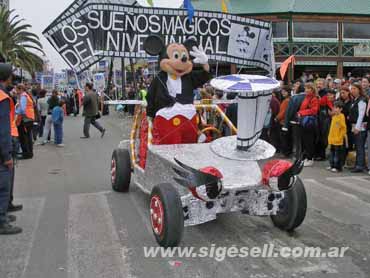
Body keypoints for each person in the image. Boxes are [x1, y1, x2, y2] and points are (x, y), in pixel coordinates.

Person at [0, 63, 22, 234]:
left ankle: (6, 210)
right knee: (3, 184)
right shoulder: (3, 97)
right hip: (3, 147)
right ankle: (2, 221)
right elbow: (3, 129)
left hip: (8, 141)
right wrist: (6, 154)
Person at [297, 82, 320, 167]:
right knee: (304, 140)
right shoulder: (306, 97)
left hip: (309, 122)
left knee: (309, 141)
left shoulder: (314, 98)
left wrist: (301, 112)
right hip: (304, 121)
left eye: (308, 88)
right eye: (306, 88)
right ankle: (306, 157)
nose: (306, 90)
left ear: (312, 89)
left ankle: (310, 158)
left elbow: (314, 110)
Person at [349, 83, 368, 173]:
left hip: (360, 126)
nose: (352, 90)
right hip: (355, 125)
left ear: (359, 90)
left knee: (360, 146)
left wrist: (357, 127)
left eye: (354, 88)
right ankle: (359, 164)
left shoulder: (362, 100)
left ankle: (360, 165)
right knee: (357, 146)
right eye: (351, 89)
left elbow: (361, 115)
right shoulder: (355, 100)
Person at [15, 84, 35, 159]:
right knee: (28, 136)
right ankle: (29, 153)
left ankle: (26, 154)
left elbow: (22, 109)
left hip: (25, 119)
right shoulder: (26, 95)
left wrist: (16, 112)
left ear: (20, 89)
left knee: (24, 137)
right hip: (29, 118)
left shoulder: (23, 96)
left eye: (16, 89)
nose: (16, 91)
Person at [327, 101, 347, 172]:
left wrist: (340, 137)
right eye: (334, 107)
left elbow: (343, 128)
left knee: (337, 154)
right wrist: (329, 138)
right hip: (332, 139)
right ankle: (332, 165)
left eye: (336, 108)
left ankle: (337, 167)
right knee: (332, 153)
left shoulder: (341, 117)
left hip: (338, 140)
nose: (334, 109)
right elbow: (331, 129)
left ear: (341, 109)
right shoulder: (334, 117)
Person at [276, 85, 292, 156]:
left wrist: (277, 118)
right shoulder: (289, 99)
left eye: (284, 92)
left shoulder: (287, 100)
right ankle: (286, 152)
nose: (283, 93)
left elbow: (283, 112)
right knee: (286, 138)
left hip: (283, 121)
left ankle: (285, 153)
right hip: (285, 121)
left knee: (284, 138)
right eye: (282, 91)